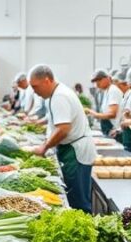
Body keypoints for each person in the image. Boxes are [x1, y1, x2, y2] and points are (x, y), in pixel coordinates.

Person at [28, 65, 97, 213]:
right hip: (71, 148)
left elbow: (63, 129)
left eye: (35, 86)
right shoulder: (55, 95)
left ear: (46, 81)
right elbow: (56, 122)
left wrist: (44, 147)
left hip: (75, 151)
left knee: (78, 199)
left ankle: (84, 231)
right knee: (74, 195)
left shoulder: (60, 96)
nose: (35, 91)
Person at [86, 68, 123, 136]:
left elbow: (112, 114)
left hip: (115, 131)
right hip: (110, 130)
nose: (97, 84)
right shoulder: (106, 91)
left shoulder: (113, 90)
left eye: (99, 80)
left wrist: (94, 114)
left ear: (107, 78)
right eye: (95, 81)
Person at [114, 68, 131, 150]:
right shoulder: (125, 95)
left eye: (117, 84)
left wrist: (128, 116)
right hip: (125, 131)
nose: (116, 86)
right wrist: (118, 129)